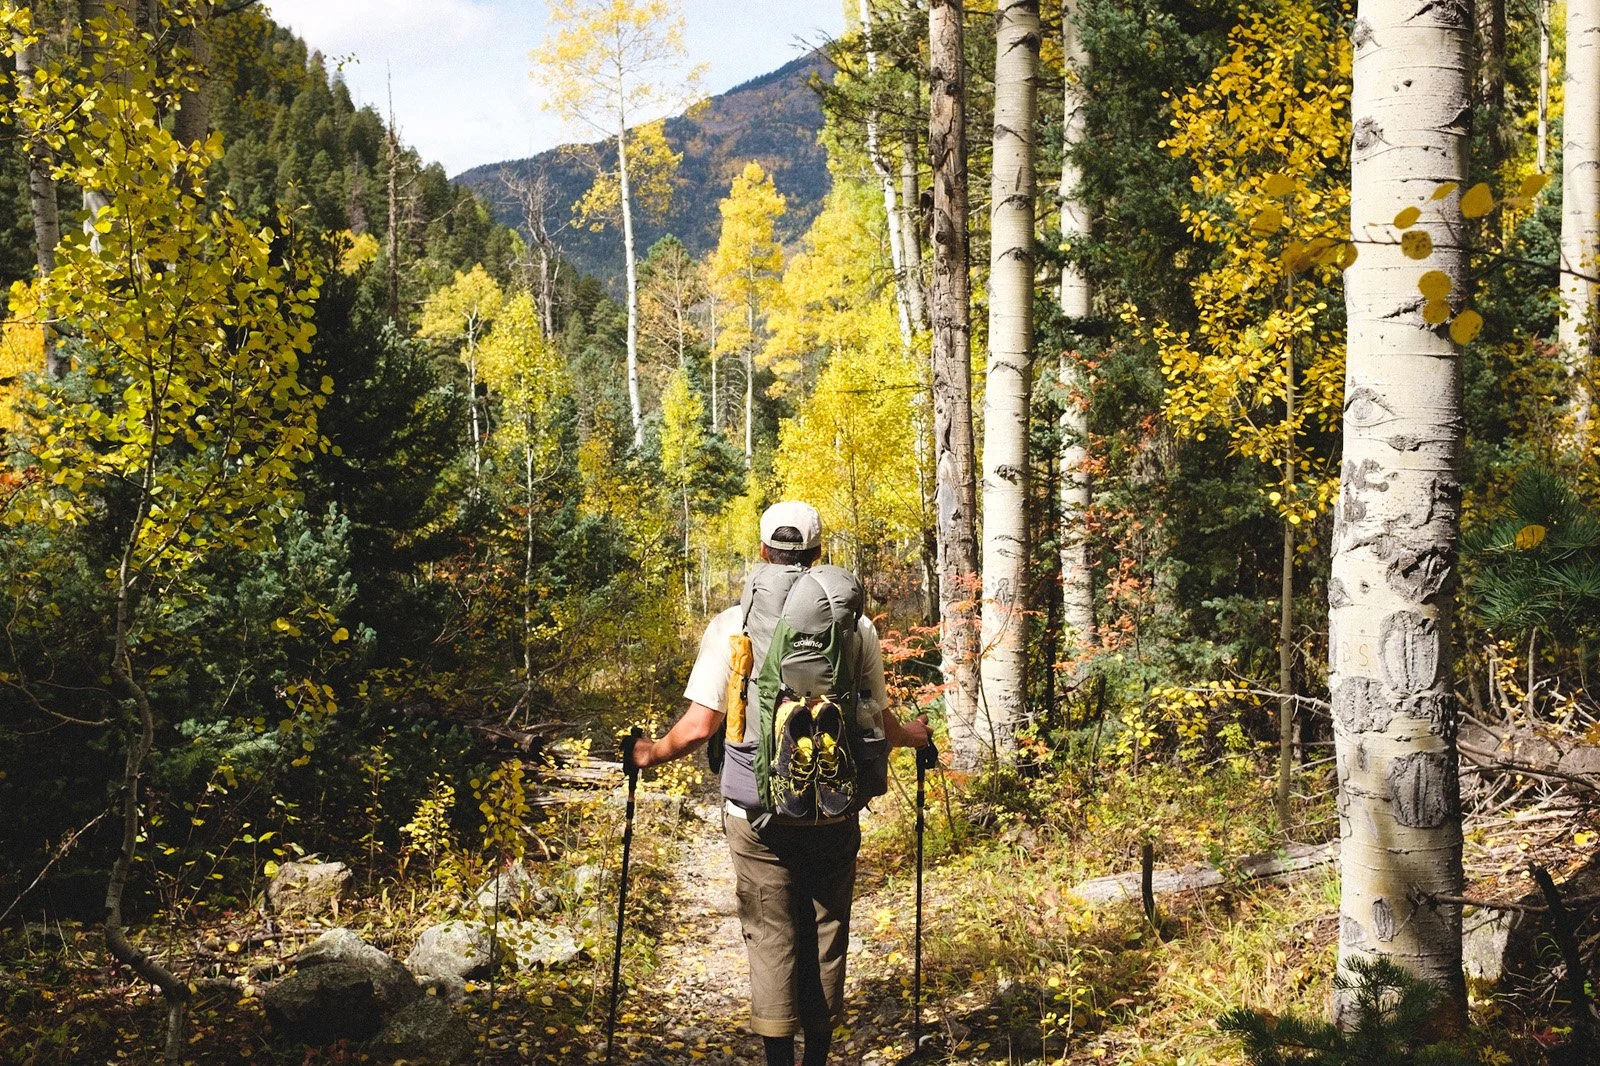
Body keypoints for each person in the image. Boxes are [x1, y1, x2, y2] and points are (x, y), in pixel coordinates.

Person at [624, 501, 932, 1066]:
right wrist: (911, 737)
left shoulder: (733, 623)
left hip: (756, 813)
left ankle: (777, 1061)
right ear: (818, 555)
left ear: (764, 551)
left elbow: (698, 728)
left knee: (770, 934)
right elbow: (871, 717)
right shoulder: (854, 625)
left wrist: (650, 754)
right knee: (827, 928)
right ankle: (818, 1055)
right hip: (835, 809)